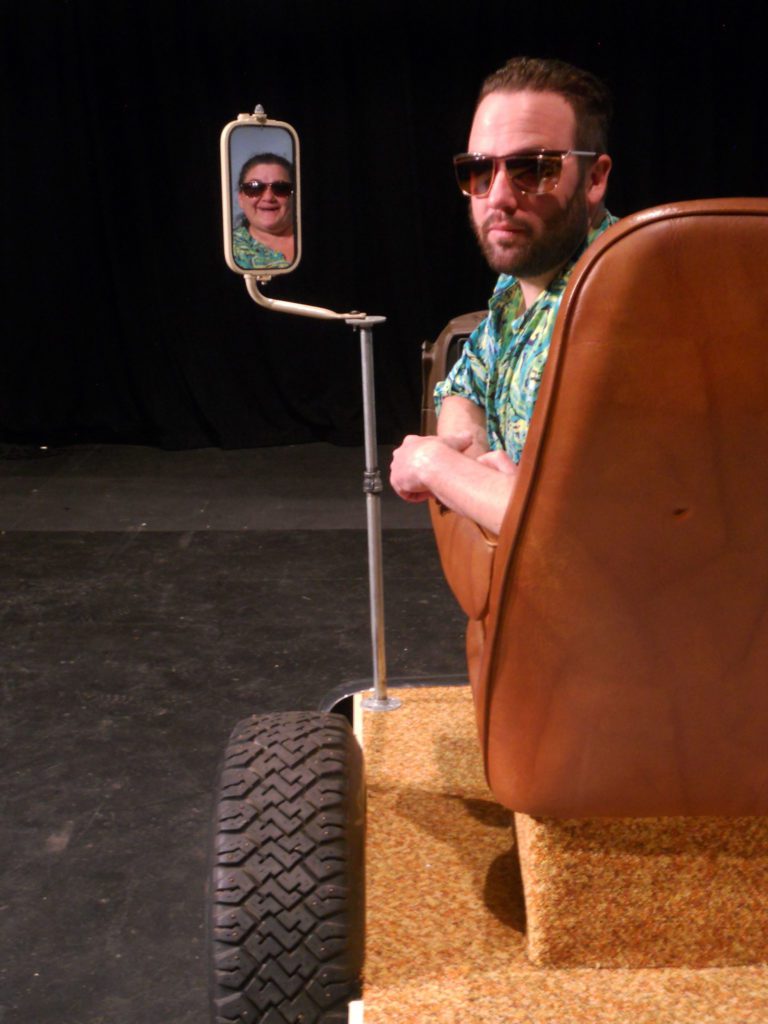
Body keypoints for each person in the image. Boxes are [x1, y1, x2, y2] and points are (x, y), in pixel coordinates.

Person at [389, 57, 615, 535]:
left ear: (594, 179)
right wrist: (471, 455)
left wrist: (435, 463)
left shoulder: (618, 300)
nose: (497, 197)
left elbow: (566, 522)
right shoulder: (520, 283)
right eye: (479, 171)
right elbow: (464, 385)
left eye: (531, 170)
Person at [233, 153, 295, 269]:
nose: (268, 197)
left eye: (280, 188)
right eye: (254, 187)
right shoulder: (228, 249)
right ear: (240, 198)